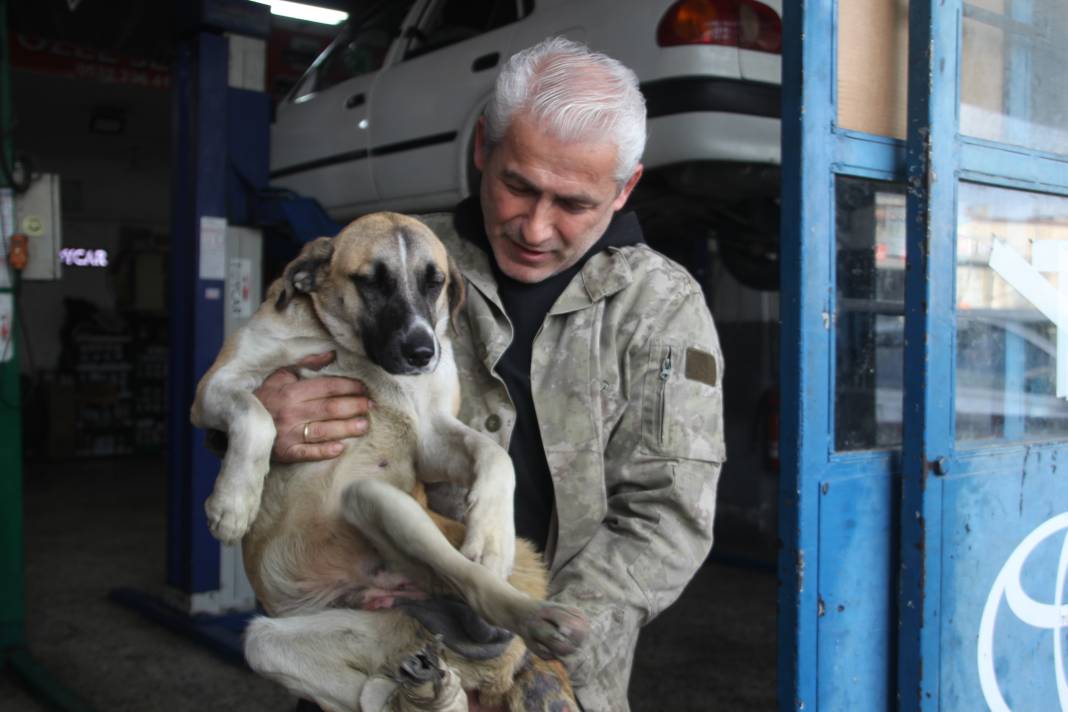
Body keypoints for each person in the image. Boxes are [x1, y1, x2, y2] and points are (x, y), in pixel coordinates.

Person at [255, 37, 725, 712]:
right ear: (483, 147)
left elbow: (666, 516)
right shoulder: (394, 257)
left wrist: (522, 641)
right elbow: (262, 381)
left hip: (549, 681)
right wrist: (267, 411)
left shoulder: (661, 308)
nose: (535, 227)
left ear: (625, 189)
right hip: (368, 653)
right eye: (518, 186)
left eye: (574, 204)